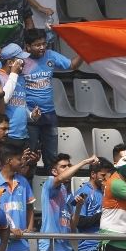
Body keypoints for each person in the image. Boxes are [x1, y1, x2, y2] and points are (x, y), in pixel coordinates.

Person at [23, 28, 81, 168]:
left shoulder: (50, 55)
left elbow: (72, 65)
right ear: (27, 46)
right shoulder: (21, 61)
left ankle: (53, 186)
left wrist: (83, 52)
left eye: (43, 44)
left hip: (49, 114)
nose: (42, 47)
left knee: (52, 157)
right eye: (37, 45)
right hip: (29, 116)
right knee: (29, 157)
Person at [0, 44, 40, 149]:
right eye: (20, 60)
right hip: (5, 135)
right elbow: (4, 99)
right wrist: (13, 74)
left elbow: (20, 104)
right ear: (10, 62)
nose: (24, 62)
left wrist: (31, 116)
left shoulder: (19, 78)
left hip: (22, 135)